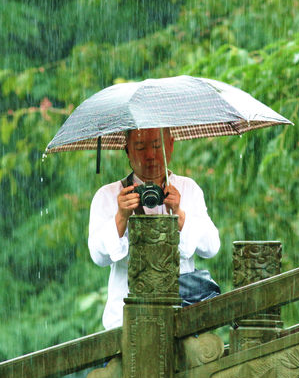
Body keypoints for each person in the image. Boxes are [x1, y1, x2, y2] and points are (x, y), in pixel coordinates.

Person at [88, 127, 220, 329]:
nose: (150, 155)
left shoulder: (188, 189)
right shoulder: (108, 195)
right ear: (127, 150)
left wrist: (179, 213)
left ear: (171, 145)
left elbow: (212, 247)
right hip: (126, 321)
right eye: (140, 147)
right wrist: (121, 217)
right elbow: (98, 257)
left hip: (182, 317)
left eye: (157, 146)